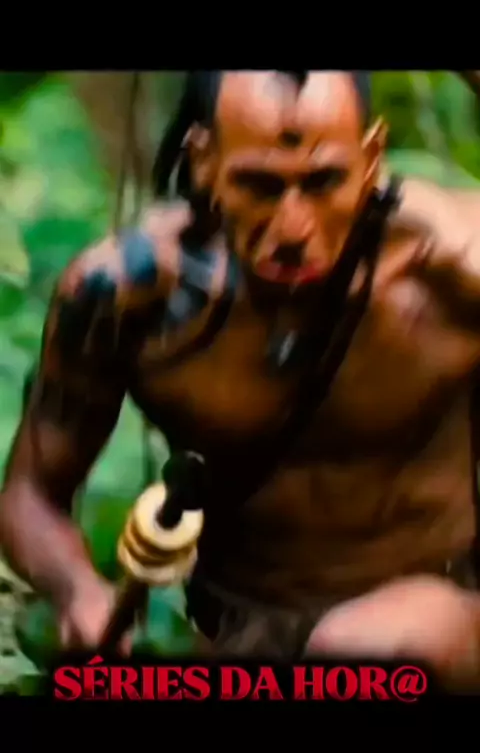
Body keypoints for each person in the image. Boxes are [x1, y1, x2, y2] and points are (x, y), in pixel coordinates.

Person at [3, 70, 480, 688]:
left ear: (370, 159)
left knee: (365, 648)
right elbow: (30, 493)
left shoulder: (454, 266)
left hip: (440, 625)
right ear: (204, 162)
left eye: (323, 181)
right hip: (243, 642)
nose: (294, 227)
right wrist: (78, 592)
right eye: (260, 184)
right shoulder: (131, 294)